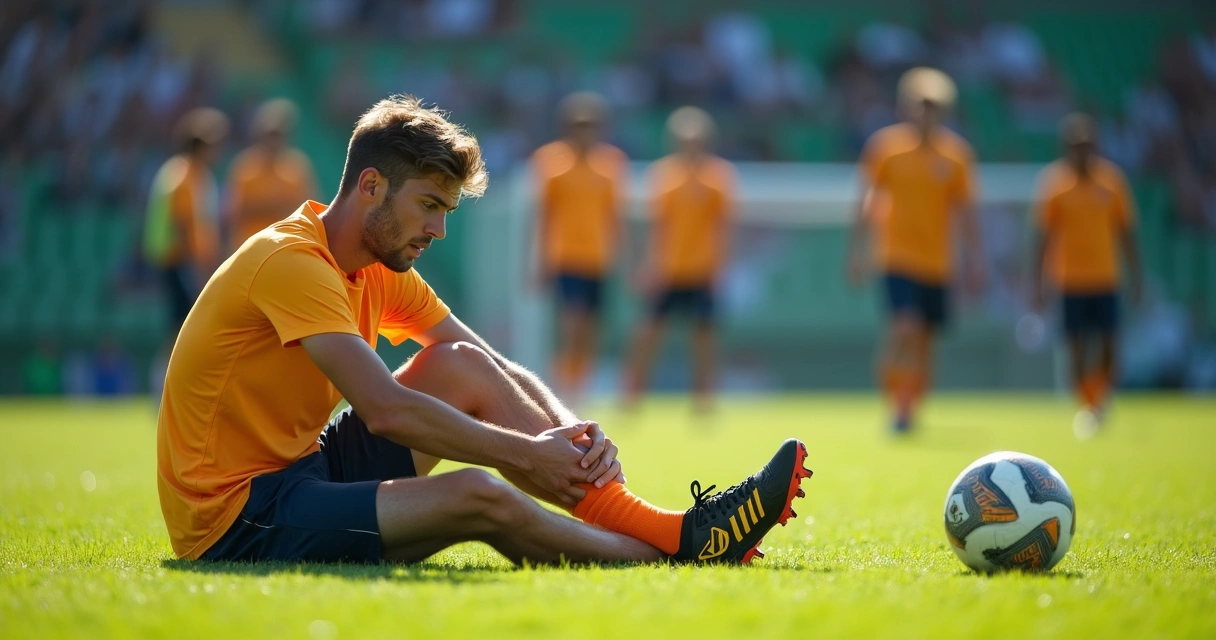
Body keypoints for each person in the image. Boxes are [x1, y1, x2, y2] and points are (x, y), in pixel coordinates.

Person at [156, 95, 811, 566]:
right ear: (372, 186)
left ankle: (672, 530)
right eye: (429, 206)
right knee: (480, 494)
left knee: (461, 364)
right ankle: (675, 545)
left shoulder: (374, 264)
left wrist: (576, 433)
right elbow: (385, 410)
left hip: (307, 468)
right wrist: (526, 453)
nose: (439, 229)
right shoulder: (291, 262)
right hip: (237, 516)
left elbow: (488, 364)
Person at [846, 67, 984, 434]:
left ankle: (909, 405)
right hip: (896, 255)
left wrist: (975, 260)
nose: (925, 113)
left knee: (924, 338)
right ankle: (897, 401)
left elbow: (966, 213)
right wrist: (857, 252)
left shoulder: (956, 156)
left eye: (933, 106)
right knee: (904, 326)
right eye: (919, 104)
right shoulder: (886, 148)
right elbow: (867, 199)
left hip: (937, 261)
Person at [1032, 113, 1142, 428]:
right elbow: (1043, 237)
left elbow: (1126, 232)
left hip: (1106, 278)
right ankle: (1088, 402)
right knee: (1077, 345)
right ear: (1066, 148)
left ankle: (1101, 396)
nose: (1082, 151)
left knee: (1108, 343)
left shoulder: (1112, 182)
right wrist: (1037, 283)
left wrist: (1137, 277)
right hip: (1069, 280)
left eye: (1087, 144)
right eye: (1076, 145)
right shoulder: (1055, 185)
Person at [623, 107, 735, 412]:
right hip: (669, 271)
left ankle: (704, 398)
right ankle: (632, 394)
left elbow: (723, 227)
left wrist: (720, 268)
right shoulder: (664, 176)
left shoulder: (718, 178)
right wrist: (649, 265)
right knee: (647, 334)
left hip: (702, 270)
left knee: (704, 338)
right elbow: (657, 226)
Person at [532, 92, 628, 406]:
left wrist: (623, 256)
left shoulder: (611, 164)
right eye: (579, 124)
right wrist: (539, 260)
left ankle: (582, 386)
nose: (585, 131)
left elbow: (614, 215)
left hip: (598, 258)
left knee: (591, 329)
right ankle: (566, 386)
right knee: (572, 323)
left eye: (591, 125)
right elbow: (544, 215)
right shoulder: (551, 162)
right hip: (566, 256)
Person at [143, 107, 229, 398]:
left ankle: (174, 389)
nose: (218, 151)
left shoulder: (183, 173)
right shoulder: (185, 176)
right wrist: (199, 267)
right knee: (183, 328)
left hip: (181, 262)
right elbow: (184, 225)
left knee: (183, 327)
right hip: (182, 262)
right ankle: (165, 391)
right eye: (214, 144)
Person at [224, 98, 318, 253]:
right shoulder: (245, 167)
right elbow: (233, 212)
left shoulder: (296, 168)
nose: (274, 141)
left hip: (285, 248)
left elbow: (309, 211)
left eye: (278, 135)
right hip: (250, 249)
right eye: (270, 134)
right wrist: (274, 206)